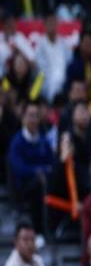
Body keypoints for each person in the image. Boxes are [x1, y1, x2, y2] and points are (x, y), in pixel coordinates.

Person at [8, 100, 54, 234]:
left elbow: (52, 163)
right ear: (23, 118)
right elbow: (19, 168)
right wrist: (37, 171)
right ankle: (38, 230)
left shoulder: (44, 140)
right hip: (24, 186)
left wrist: (44, 172)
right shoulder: (17, 142)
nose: (33, 119)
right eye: (30, 115)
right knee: (37, 187)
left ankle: (56, 227)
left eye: (36, 116)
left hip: (45, 180)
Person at [35, 11, 70, 103]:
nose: (52, 26)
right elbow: (40, 72)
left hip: (64, 86)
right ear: (45, 25)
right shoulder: (40, 46)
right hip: (47, 88)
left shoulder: (64, 44)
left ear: (57, 24)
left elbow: (69, 64)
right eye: (49, 23)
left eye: (54, 22)